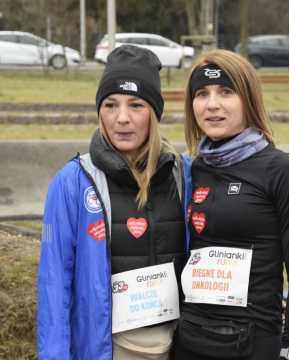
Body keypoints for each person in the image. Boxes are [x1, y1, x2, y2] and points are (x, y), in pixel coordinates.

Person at [37, 45, 187, 360]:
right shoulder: (73, 182)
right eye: (110, 105)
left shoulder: (183, 176)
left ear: (154, 113)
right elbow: (54, 284)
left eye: (136, 105)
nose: (122, 118)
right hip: (106, 350)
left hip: (179, 346)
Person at [173, 49, 289, 360]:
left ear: (248, 99)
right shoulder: (188, 169)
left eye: (226, 92)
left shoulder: (281, 170)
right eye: (202, 93)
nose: (212, 105)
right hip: (189, 341)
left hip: (254, 345)